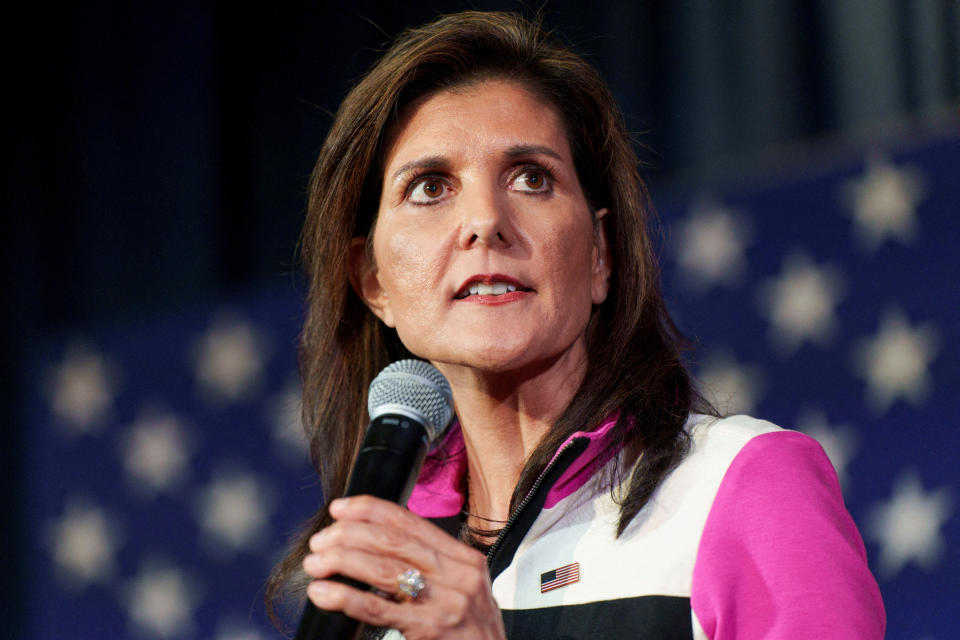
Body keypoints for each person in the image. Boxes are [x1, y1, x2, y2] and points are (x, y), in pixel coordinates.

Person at [267, 11, 885, 639]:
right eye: (430, 187)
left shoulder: (739, 486)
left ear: (600, 255)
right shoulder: (381, 571)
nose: (485, 220)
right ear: (372, 282)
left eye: (532, 178)